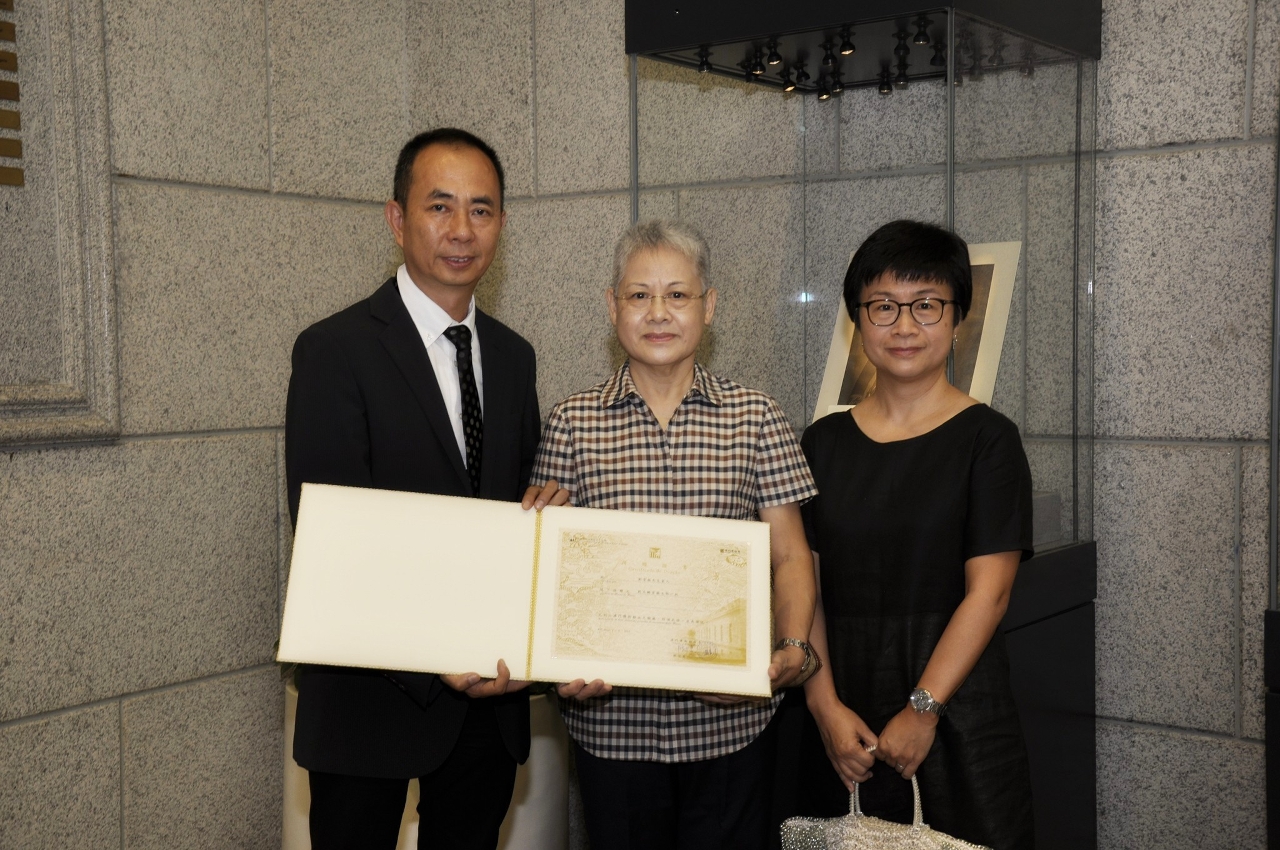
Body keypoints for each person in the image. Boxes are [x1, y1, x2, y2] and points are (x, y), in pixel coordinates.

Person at [285, 127, 566, 850]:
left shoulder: (513, 357)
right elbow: (330, 539)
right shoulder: (335, 350)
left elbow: (509, 513)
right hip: (368, 698)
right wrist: (431, 656)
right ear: (396, 217)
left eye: (482, 209)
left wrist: (546, 520)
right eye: (440, 207)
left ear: (502, 222)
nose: (461, 230)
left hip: (487, 706)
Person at [529, 219, 820, 849]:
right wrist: (557, 662)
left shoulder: (756, 416)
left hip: (730, 725)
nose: (658, 313)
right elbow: (549, 563)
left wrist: (794, 647)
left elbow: (792, 554)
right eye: (638, 296)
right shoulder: (572, 423)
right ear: (612, 308)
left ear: (709, 306)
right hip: (612, 726)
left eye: (677, 295)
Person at [798, 220, 1035, 848]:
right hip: (841, 720)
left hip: (956, 713)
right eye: (883, 307)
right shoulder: (821, 442)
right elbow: (803, 586)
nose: (905, 327)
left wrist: (922, 709)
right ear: (858, 320)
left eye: (926, 306)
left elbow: (990, 594)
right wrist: (822, 706)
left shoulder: (989, 440)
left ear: (958, 317)